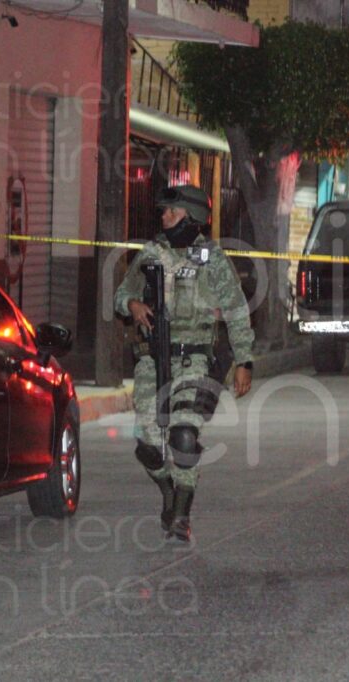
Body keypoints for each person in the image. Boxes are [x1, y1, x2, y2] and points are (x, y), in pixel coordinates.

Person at [114, 185, 255, 542]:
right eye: (163, 213)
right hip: (153, 358)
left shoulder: (213, 259)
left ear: (193, 217)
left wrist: (244, 360)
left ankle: (181, 514)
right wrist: (132, 305)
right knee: (147, 441)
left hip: (195, 359)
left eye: (171, 213)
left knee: (183, 436)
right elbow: (122, 294)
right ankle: (168, 489)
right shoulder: (151, 252)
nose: (164, 218)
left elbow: (237, 311)